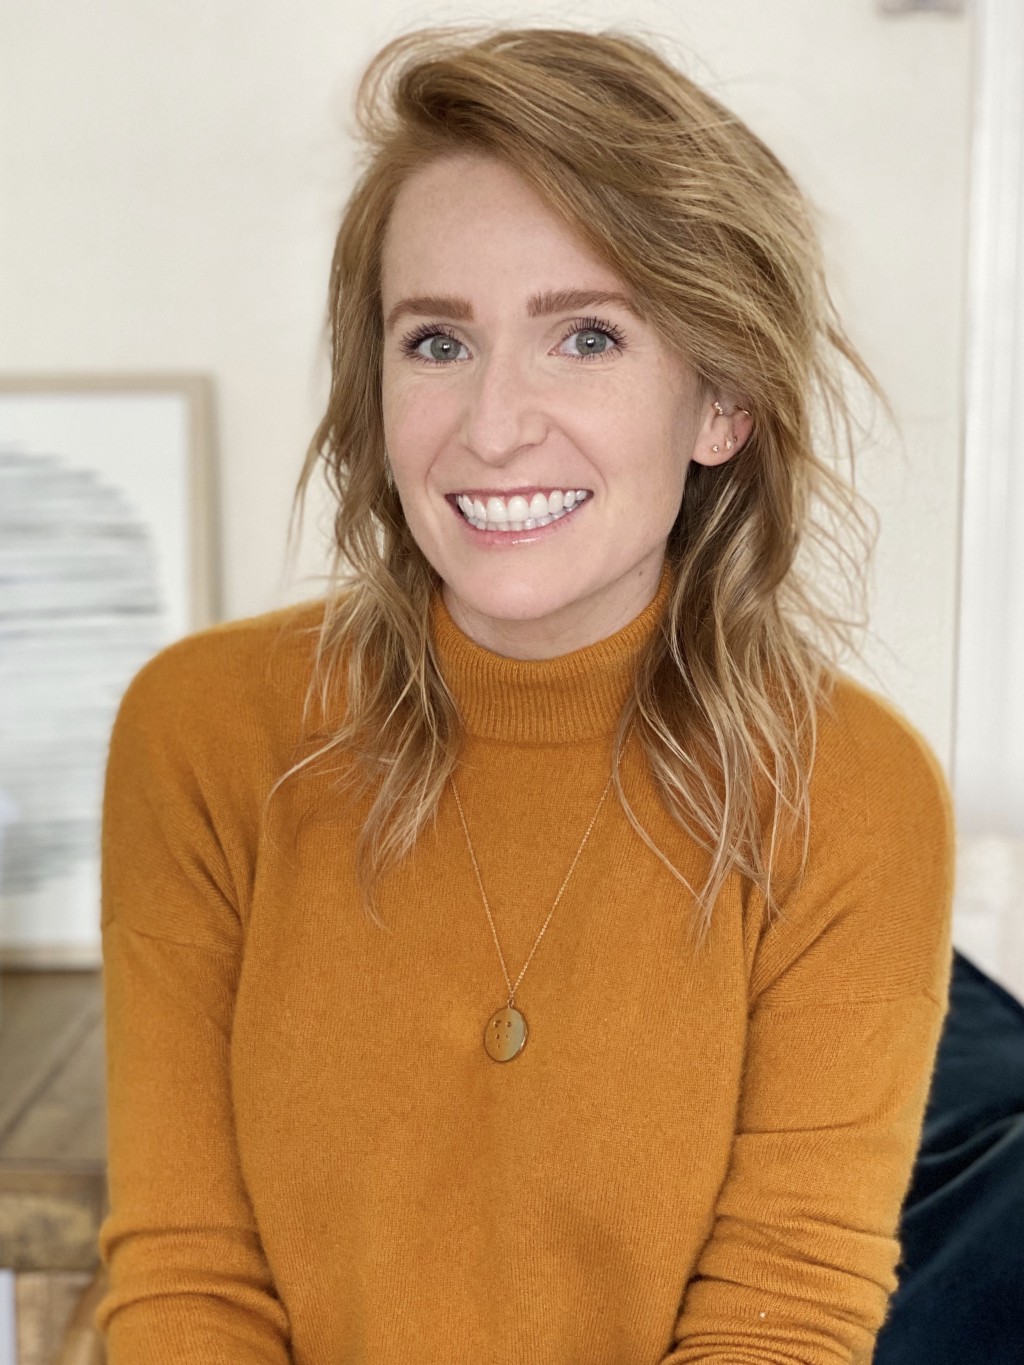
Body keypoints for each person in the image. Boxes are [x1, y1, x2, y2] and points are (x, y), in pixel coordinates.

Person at [93, 25, 956, 1364]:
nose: (493, 426)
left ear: (721, 401)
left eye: (587, 336)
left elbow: (783, 1310)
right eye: (438, 341)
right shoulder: (204, 731)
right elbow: (187, 1280)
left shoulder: (849, 789)